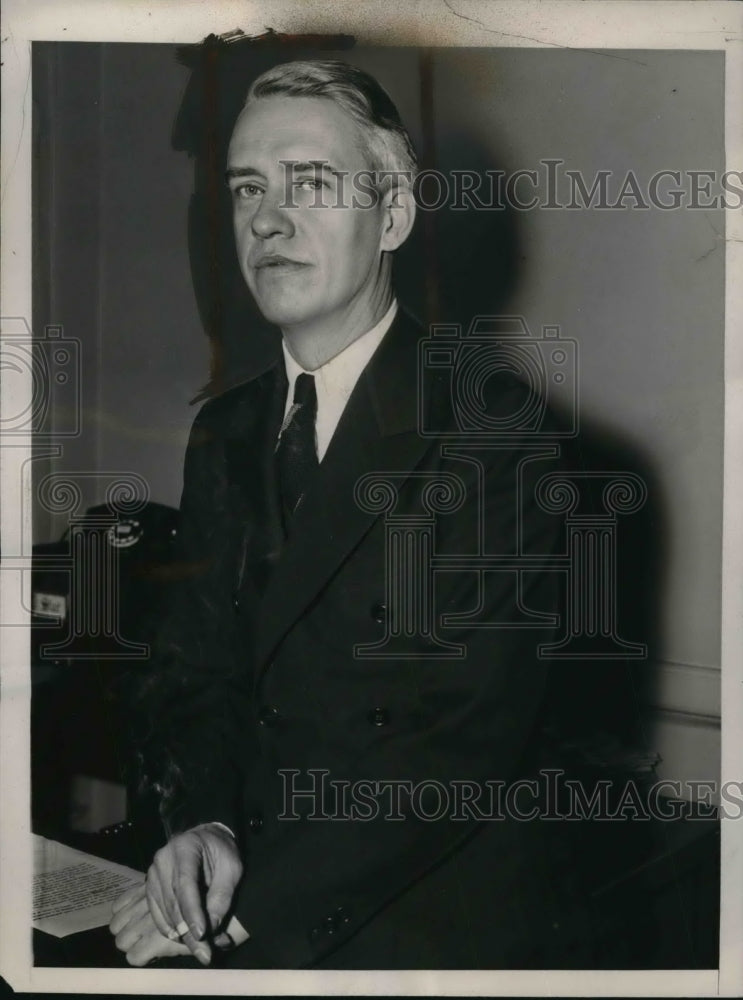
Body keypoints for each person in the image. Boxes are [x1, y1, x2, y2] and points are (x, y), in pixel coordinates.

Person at [108, 59, 583, 970]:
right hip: (238, 893)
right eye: (248, 187)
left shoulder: (492, 433)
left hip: (420, 930)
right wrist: (203, 823)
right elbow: (194, 674)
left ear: (393, 215)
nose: (266, 219)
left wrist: (247, 908)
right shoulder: (225, 429)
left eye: (310, 184)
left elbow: (456, 744)